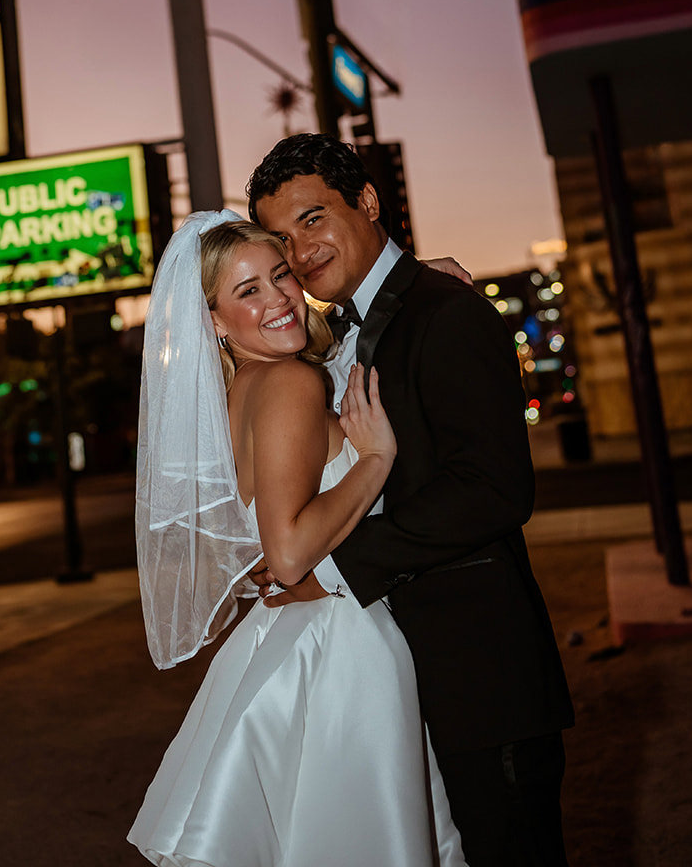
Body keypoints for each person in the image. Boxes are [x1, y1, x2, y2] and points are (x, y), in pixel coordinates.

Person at [248, 134, 575, 867]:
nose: (298, 253)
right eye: (281, 238)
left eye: (312, 219)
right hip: (394, 689)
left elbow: (491, 488)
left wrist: (330, 570)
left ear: (366, 202)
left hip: (477, 682)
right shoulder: (342, 335)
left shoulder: (444, 312)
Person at [129, 209, 466, 867]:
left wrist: (418, 279)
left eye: (279, 275)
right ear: (212, 320)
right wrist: (373, 462)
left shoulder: (243, 391)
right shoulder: (286, 382)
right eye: (247, 290)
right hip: (338, 648)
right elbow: (285, 554)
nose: (278, 297)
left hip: (281, 639)